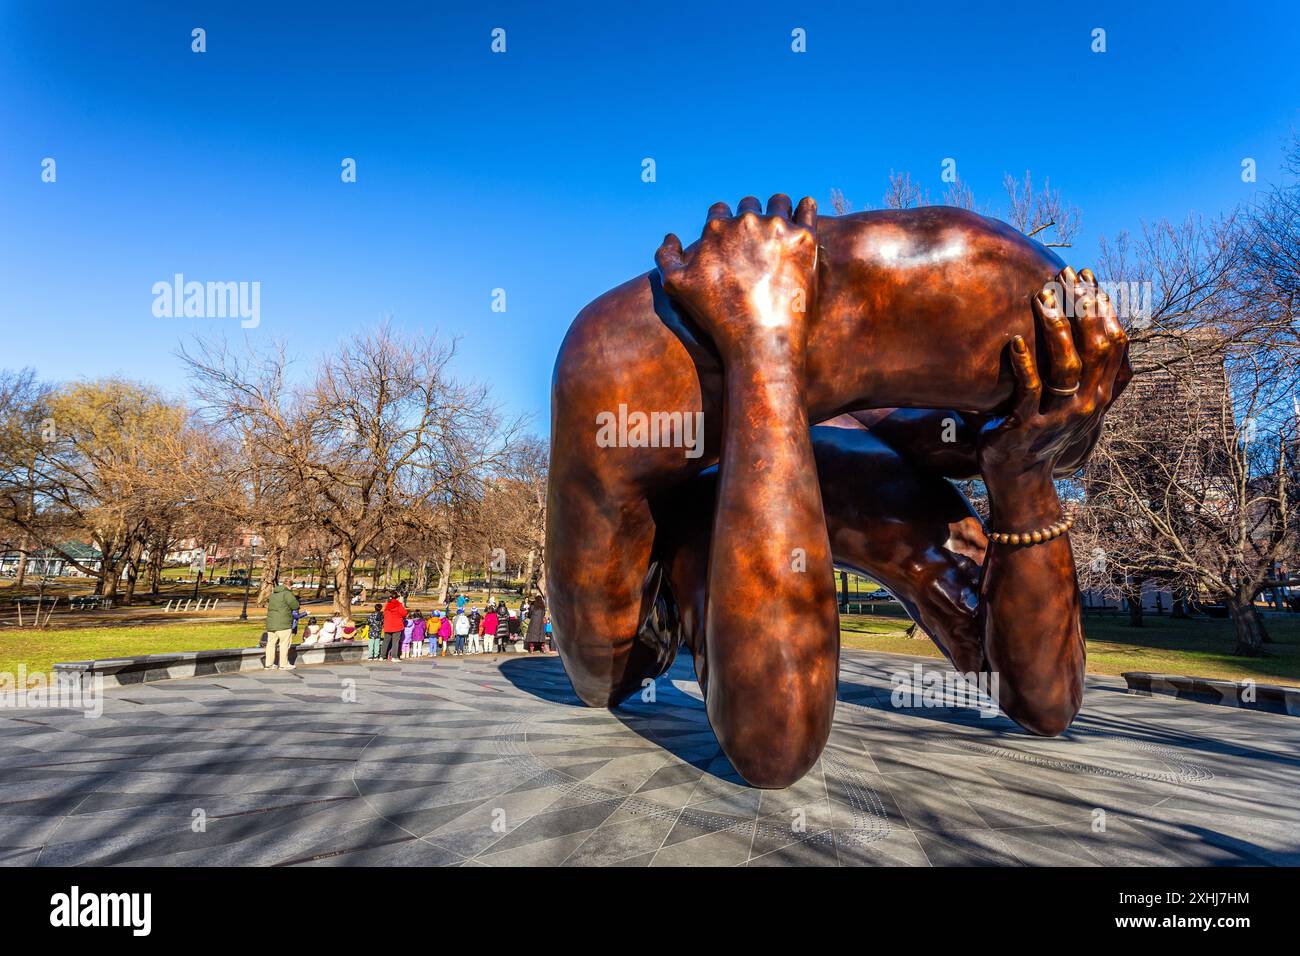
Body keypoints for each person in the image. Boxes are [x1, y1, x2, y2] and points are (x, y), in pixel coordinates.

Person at [264, 581, 300, 670]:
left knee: (271, 644)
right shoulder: (287, 594)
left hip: (271, 624)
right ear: (289, 586)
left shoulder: (273, 595)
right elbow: (295, 605)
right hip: (284, 624)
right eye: (292, 587)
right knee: (284, 644)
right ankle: (283, 664)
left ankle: (268, 664)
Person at [381, 591, 406, 662]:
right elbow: (404, 613)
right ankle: (394, 657)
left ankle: (382, 656)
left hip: (388, 625)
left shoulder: (387, 605)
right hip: (397, 625)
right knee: (395, 642)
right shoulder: (399, 605)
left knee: (386, 641)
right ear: (397, 598)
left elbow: (385, 614)